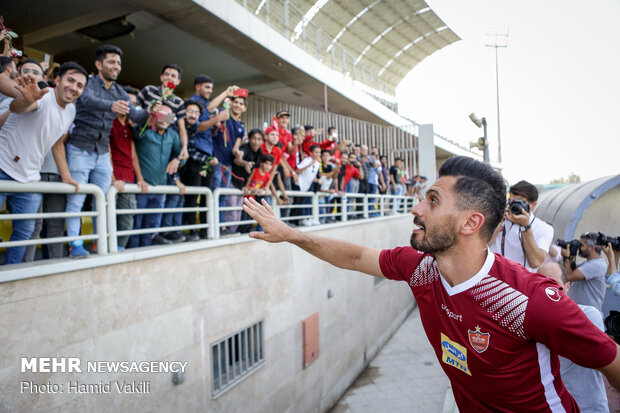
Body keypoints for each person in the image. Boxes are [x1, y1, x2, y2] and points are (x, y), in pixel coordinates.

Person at [242, 155, 620, 412]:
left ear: (470, 223)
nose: (416, 209)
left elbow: (611, 361)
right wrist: (292, 235)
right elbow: (357, 257)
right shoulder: (420, 268)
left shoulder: (529, 300)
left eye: (432, 200)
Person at [57, 45, 149, 258]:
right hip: (80, 148)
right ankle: (75, 245)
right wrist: (111, 107)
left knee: (105, 200)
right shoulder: (88, 83)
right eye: (111, 62)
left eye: (118, 63)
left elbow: (134, 116)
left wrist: (150, 111)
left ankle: (102, 244)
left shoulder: (120, 92)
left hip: (101, 154)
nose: (116, 66)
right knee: (77, 200)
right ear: (98, 64)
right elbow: (87, 100)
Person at [0, 62, 87, 264]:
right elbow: (19, 107)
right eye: (70, 80)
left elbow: (57, 143)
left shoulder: (71, 110)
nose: (74, 88)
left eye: (80, 86)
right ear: (57, 80)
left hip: (30, 178)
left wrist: (66, 176)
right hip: (2, 167)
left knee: (25, 232)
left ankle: (11, 275)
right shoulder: (44, 95)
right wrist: (24, 99)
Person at [538, 261, 610, 412]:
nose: (548, 291)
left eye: (554, 285)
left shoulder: (589, 315)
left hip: (589, 408)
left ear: (567, 286)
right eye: (540, 285)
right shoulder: (529, 323)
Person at [129, 104, 182, 247]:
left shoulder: (172, 134)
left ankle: (146, 252)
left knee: (150, 226)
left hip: (160, 189)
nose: (164, 119)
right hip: (141, 187)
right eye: (161, 115)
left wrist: (177, 160)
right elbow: (134, 132)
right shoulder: (142, 131)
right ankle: (134, 254)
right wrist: (149, 115)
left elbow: (181, 155)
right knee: (136, 224)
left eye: (168, 117)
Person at [109, 86, 148, 250]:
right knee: (109, 216)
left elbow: (133, 155)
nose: (129, 106)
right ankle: (107, 248)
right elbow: (106, 152)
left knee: (127, 217)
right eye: (127, 102)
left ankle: (120, 248)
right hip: (112, 178)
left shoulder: (131, 126)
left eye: (133, 104)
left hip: (129, 178)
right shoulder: (109, 122)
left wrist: (140, 178)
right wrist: (112, 178)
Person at [490, 180, 554, 272]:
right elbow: (484, 245)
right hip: (493, 277)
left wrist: (525, 226)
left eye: (520, 202)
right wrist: (499, 220)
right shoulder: (499, 219)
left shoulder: (544, 228)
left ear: (533, 205)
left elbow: (535, 262)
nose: (515, 206)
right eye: (511, 201)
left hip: (520, 282)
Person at [562, 233, 607, 312]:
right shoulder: (588, 263)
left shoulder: (595, 265)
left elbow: (568, 277)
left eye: (581, 245)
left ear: (592, 248)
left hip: (587, 314)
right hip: (581, 311)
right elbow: (572, 270)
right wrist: (571, 255)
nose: (579, 248)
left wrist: (566, 257)